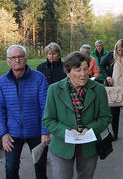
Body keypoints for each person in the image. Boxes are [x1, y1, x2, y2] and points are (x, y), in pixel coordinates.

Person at [43, 51, 111, 179]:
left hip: (89, 146)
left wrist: (90, 128)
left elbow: (106, 117)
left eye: (86, 69)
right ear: (68, 72)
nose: (83, 74)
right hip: (62, 146)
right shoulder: (54, 89)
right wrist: (67, 131)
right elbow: (48, 120)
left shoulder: (99, 89)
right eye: (78, 70)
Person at [0, 45, 50, 179]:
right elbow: (1, 110)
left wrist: (45, 131)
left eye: (20, 57)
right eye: (13, 57)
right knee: (10, 168)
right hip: (12, 133)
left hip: (37, 132)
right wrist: (3, 133)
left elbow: (45, 107)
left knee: (40, 167)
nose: (17, 60)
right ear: (8, 61)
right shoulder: (2, 82)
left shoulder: (39, 78)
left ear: (26, 58)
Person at [100, 39, 123, 146]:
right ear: (116, 49)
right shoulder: (110, 55)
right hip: (113, 89)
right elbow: (102, 65)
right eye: (119, 50)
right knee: (114, 114)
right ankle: (115, 134)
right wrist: (107, 76)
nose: (120, 53)